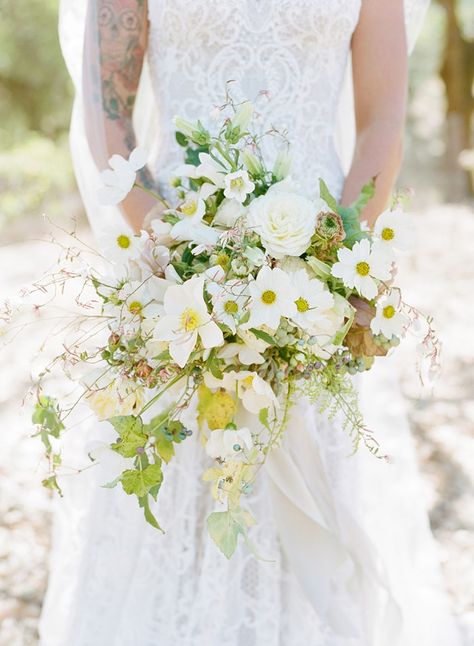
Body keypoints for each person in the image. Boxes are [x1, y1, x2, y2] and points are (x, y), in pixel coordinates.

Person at [39, 1, 462, 644]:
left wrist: (334, 264)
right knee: (174, 490)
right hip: (171, 269)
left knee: (308, 488)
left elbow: (381, 121)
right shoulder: (173, 264)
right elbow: (108, 115)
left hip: (319, 268)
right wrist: (184, 260)